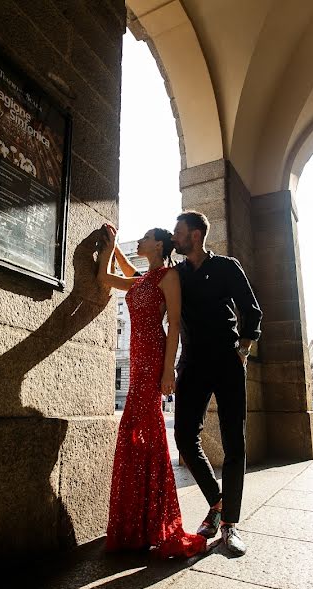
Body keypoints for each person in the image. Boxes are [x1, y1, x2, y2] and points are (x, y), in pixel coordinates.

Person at [97, 224, 206, 558]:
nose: (140, 241)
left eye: (145, 238)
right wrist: (112, 246)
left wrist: (168, 368)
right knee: (135, 434)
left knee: (148, 433)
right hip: (137, 359)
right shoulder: (141, 279)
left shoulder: (168, 277)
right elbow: (105, 277)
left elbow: (173, 323)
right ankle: (137, 522)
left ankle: (152, 520)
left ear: (158, 245)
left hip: (152, 360)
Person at [171, 211, 262, 556]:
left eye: (179, 232)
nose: (175, 237)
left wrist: (244, 350)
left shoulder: (226, 266)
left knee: (233, 442)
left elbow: (252, 310)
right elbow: (142, 281)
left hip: (227, 360)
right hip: (193, 362)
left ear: (195, 235)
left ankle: (229, 525)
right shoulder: (176, 273)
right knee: (183, 436)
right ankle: (218, 503)